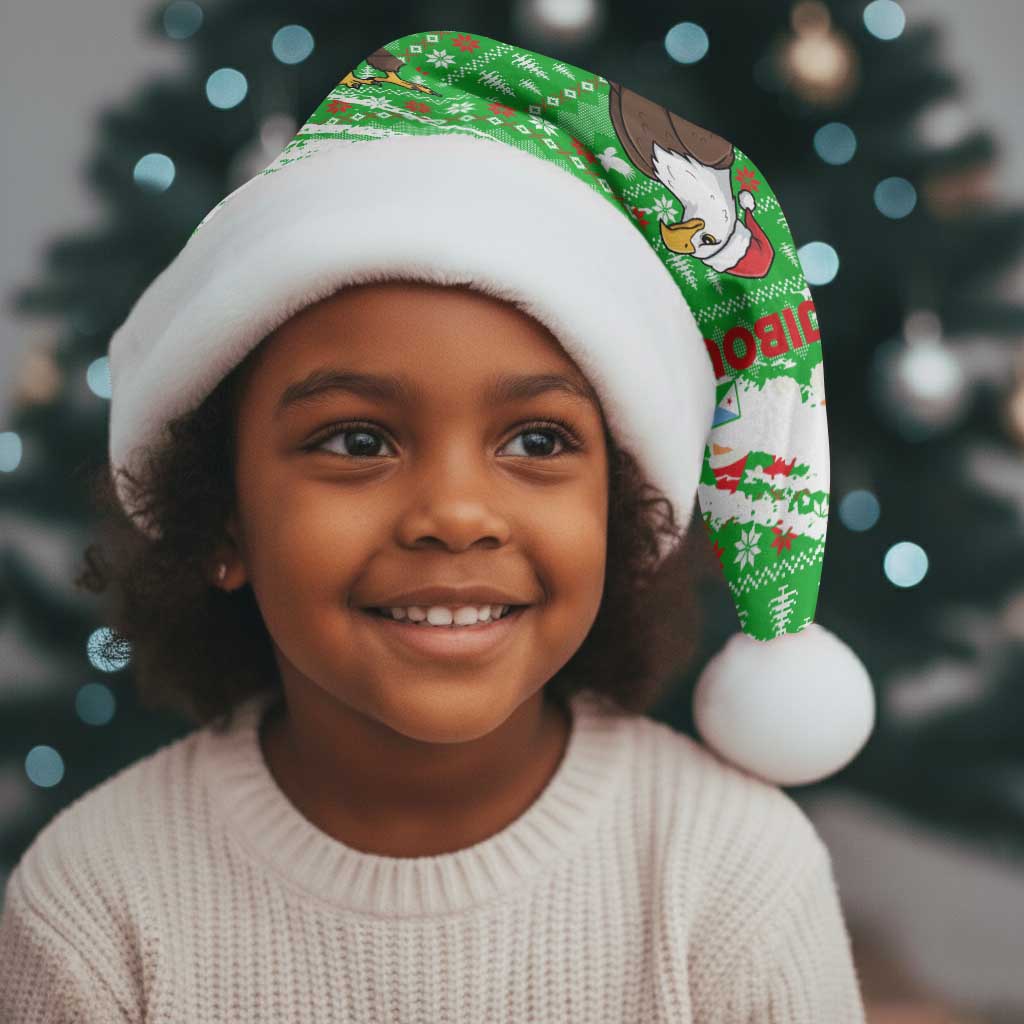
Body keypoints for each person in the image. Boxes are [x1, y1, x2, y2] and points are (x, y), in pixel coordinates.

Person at [0, 29, 874, 1022]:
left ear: (622, 513)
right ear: (220, 518)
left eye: (538, 441)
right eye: (358, 440)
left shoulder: (730, 872)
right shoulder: (97, 898)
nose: (456, 514)